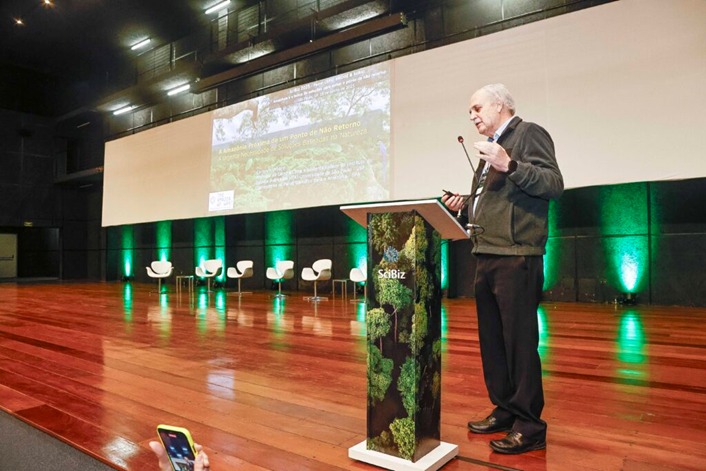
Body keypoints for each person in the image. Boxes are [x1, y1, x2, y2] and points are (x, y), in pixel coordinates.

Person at [442, 83, 563, 454]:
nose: (472, 115)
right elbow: (496, 200)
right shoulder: (489, 149)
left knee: (519, 343)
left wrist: (509, 164)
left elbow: (553, 184)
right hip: (486, 253)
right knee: (493, 341)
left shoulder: (528, 134)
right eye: (471, 111)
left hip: (516, 256)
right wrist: (466, 203)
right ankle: (506, 408)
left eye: (477, 108)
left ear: (499, 105)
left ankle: (530, 425)